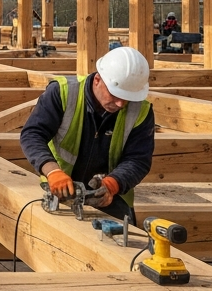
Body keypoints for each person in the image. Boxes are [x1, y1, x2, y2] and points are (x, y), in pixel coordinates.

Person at [19, 47, 155, 223]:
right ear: (97, 79)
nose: (121, 103)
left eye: (127, 97)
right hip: (60, 190)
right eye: (115, 94)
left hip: (111, 196)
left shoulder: (140, 110)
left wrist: (113, 184)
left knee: (123, 245)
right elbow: (32, 134)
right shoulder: (63, 93)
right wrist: (52, 171)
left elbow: (138, 159)